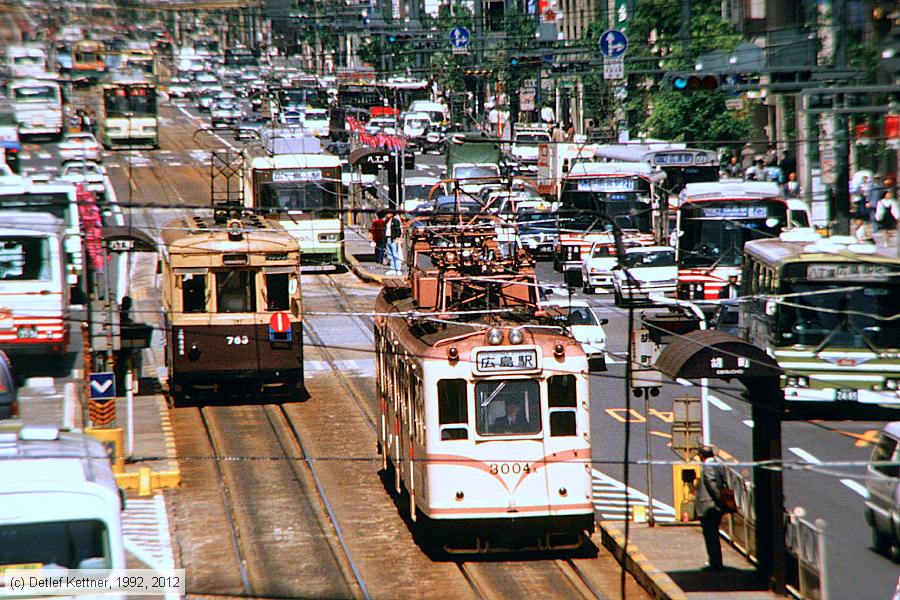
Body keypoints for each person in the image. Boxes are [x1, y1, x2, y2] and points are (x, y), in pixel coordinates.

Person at [693, 445, 728, 571]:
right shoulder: (719, 465)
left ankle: (715, 563)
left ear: (702, 456)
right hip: (717, 506)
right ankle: (716, 561)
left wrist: (719, 500)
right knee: (714, 534)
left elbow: (711, 484)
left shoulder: (707, 467)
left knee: (710, 536)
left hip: (709, 505)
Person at [384, 210, 404, 275]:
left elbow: (398, 231)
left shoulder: (395, 221)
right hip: (387, 238)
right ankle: (392, 268)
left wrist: (397, 238)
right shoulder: (386, 221)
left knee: (395, 254)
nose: (387, 214)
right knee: (390, 254)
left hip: (393, 239)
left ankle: (398, 269)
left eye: (388, 213)